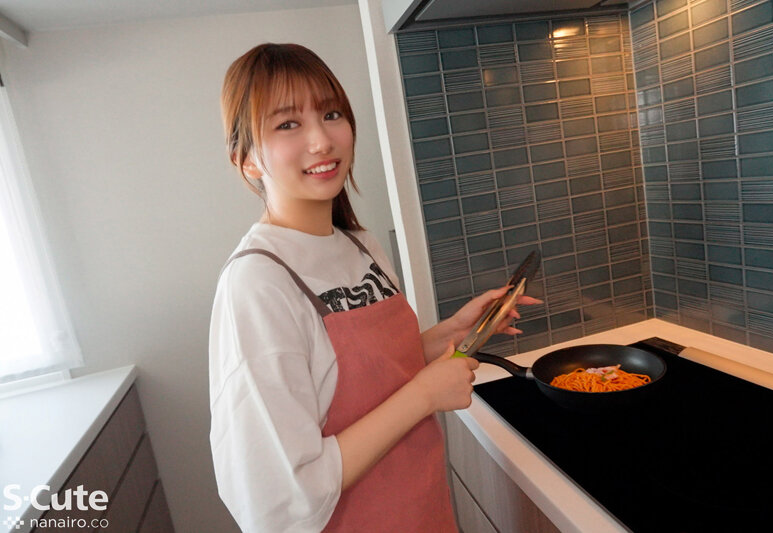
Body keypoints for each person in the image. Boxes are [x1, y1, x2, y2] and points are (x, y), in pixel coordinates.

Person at [208, 43, 538, 533]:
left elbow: (367, 376)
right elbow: (279, 498)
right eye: (288, 124)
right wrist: (424, 396)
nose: (322, 140)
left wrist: (452, 334)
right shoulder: (257, 283)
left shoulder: (359, 245)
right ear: (246, 160)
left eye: (331, 114)